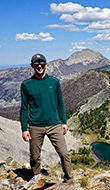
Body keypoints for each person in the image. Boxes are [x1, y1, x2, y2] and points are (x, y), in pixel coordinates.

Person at [20, 53, 72, 182]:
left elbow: (60, 102)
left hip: (54, 124)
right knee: (34, 157)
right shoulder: (26, 84)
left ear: (46, 64)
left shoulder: (54, 82)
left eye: (42, 63)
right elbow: (24, 108)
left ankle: (68, 178)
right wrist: (24, 129)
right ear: (32, 66)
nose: (39, 66)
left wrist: (63, 122)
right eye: (36, 64)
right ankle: (36, 179)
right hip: (35, 126)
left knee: (64, 153)